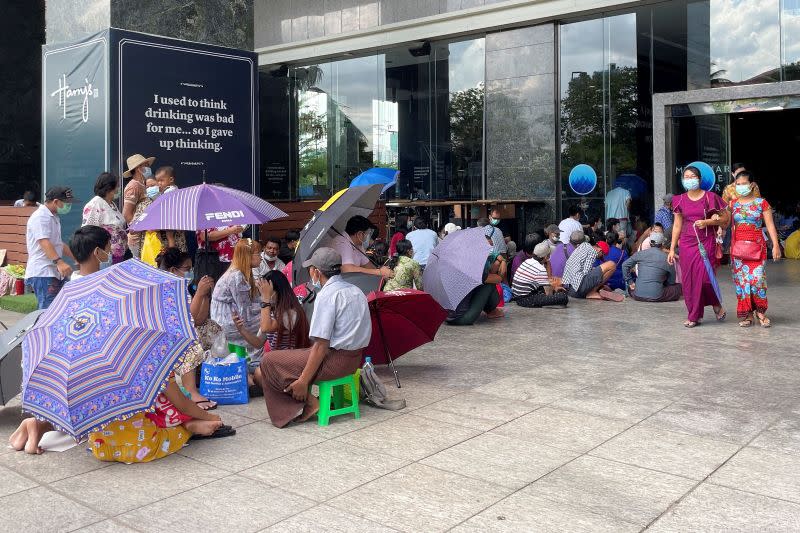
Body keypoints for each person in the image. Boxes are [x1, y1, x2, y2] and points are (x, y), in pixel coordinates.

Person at [9, 366, 230, 457]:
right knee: (174, 428)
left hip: (98, 444)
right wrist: (206, 417)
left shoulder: (89, 366)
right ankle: (189, 429)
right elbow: (181, 403)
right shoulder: (153, 362)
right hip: (138, 442)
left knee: (88, 411)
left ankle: (40, 424)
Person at [259, 247, 371, 427]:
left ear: (317, 272)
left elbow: (321, 346)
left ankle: (309, 402)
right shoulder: (356, 290)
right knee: (290, 358)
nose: (310, 273)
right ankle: (307, 399)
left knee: (269, 361)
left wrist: (303, 380)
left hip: (335, 360)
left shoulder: (327, 295)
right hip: (354, 359)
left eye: (311, 269)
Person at [157, 247, 222, 409]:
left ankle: (210, 371)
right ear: (173, 270)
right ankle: (191, 392)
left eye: (191, 269)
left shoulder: (182, 288)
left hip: (181, 331)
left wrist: (205, 295)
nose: (190, 272)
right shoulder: (165, 289)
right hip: (164, 339)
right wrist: (199, 294)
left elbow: (200, 320)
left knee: (212, 327)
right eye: (187, 269)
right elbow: (187, 322)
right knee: (191, 345)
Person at [668, 165, 729, 328]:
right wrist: (672, 248)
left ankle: (715, 304)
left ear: (699, 179)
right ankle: (694, 315)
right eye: (686, 177)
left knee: (705, 278)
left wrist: (708, 221)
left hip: (706, 241)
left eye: (692, 177)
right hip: (687, 243)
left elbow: (725, 220)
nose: (689, 180)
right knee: (689, 280)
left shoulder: (710, 197)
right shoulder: (679, 199)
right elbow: (676, 225)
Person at [234, 270, 310, 395]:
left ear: (278, 291)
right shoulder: (272, 311)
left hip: (290, 364)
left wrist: (265, 299)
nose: (263, 296)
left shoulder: (291, 312)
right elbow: (258, 343)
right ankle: (264, 387)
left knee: (259, 373)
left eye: (268, 292)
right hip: (275, 363)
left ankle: (272, 389)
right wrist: (241, 330)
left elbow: (265, 327)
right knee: (241, 369)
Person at [727, 171, 781, 327]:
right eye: (738, 184)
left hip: (757, 248)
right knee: (742, 283)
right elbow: (725, 223)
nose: (741, 186)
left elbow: (770, 225)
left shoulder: (762, 203)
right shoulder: (732, 204)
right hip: (738, 250)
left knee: (757, 281)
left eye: (744, 183)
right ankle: (748, 315)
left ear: (751, 185)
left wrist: (776, 245)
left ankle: (761, 312)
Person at [24, 187, 77, 309]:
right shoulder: (40, 217)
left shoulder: (53, 217)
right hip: (43, 272)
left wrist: (77, 258)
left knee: (60, 308)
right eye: (67, 203)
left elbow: (58, 244)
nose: (69, 206)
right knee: (48, 311)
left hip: (52, 271)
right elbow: (44, 242)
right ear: (56, 201)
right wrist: (60, 262)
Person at [211, 239, 263, 347]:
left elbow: (254, 300)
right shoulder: (236, 276)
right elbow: (245, 310)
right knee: (271, 319)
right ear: (248, 256)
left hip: (228, 317)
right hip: (226, 322)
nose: (261, 257)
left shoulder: (239, 272)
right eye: (258, 254)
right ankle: (261, 350)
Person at [447, 247, 506, 325]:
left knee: (483, 284)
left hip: (447, 316)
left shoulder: (456, 265)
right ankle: (492, 311)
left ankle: (491, 310)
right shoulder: (473, 269)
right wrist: (502, 266)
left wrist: (502, 261)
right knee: (489, 285)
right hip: (462, 318)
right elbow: (498, 279)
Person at [324, 215, 394, 279]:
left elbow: (367, 265)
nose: (368, 237)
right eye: (367, 233)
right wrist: (379, 272)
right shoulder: (341, 242)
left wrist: (381, 273)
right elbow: (347, 269)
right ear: (360, 234)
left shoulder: (358, 244)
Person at [81, 172, 127, 263]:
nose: (119, 189)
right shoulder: (95, 204)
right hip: (105, 256)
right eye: (117, 186)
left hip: (119, 254)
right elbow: (88, 231)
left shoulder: (111, 204)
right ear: (109, 188)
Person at [622, 231, 682, 302]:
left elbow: (624, 265)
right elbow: (671, 281)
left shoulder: (640, 254)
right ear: (662, 244)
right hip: (657, 295)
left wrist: (630, 282)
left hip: (637, 294)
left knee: (631, 288)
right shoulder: (667, 257)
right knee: (678, 288)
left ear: (650, 243)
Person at [562, 231, 620, 301]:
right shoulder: (593, 251)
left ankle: (596, 290)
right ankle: (592, 292)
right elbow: (586, 272)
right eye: (603, 255)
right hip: (578, 289)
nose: (600, 257)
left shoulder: (583, 246)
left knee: (597, 273)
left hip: (571, 289)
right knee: (611, 264)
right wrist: (600, 278)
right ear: (600, 251)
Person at [121, 153, 155, 257]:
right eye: (146, 165)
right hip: (138, 237)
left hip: (147, 234)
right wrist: (138, 230)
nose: (148, 168)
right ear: (138, 168)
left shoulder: (144, 184)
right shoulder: (133, 186)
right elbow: (126, 214)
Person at [154, 166, 187, 252]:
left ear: (171, 179)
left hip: (170, 218)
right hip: (174, 219)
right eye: (158, 181)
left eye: (161, 180)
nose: (159, 183)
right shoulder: (174, 188)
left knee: (169, 235)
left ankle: (172, 250)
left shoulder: (169, 191)